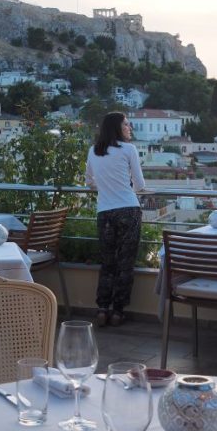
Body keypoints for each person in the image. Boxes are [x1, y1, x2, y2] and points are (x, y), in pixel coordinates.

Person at [85, 111, 146, 327]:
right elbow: (140, 185)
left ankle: (102, 309)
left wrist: (104, 186)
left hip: (105, 212)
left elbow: (88, 182)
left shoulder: (94, 151)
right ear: (118, 128)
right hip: (128, 210)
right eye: (127, 125)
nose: (130, 128)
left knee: (107, 263)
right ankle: (118, 311)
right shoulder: (129, 149)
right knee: (125, 263)